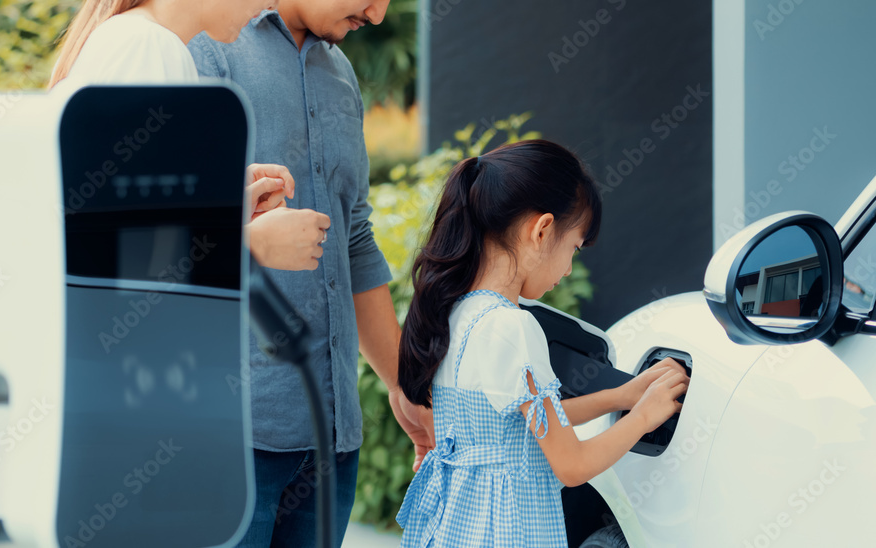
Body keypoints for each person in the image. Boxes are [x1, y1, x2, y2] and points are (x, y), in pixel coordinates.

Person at [187, 1, 435, 546]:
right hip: (233, 439)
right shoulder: (207, 46)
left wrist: (402, 384)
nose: (376, 14)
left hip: (331, 446)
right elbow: (170, 230)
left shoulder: (340, 74)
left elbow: (355, 239)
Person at [395, 140, 690, 547]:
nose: (568, 270)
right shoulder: (514, 328)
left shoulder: (456, 312)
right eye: (574, 249)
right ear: (542, 230)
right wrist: (646, 415)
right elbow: (571, 464)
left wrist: (622, 395)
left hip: (455, 529)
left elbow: (520, 426)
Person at [48, 0, 329, 271]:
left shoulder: (139, 40)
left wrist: (218, 202)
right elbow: (124, 252)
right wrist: (256, 244)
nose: (272, 5)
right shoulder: (149, 47)